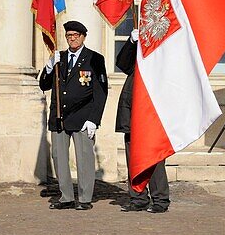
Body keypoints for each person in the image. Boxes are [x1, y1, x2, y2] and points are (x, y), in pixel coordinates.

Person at [38, 20, 108, 211]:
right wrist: (49, 68)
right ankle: (66, 196)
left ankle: (85, 198)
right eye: (69, 36)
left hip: (83, 116)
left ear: (83, 37)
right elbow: (44, 85)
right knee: (59, 157)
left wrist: (94, 119)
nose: (72, 39)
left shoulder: (94, 58)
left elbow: (100, 92)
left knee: (84, 158)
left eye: (76, 35)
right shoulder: (59, 58)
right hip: (60, 116)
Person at [116, 30, 169, 213]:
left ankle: (160, 199)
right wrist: (132, 42)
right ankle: (138, 198)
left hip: (152, 110)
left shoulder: (164, 53)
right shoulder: (137, 50)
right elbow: (122, 64)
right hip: (132, 109)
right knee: (133, 158)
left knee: (155, 158)